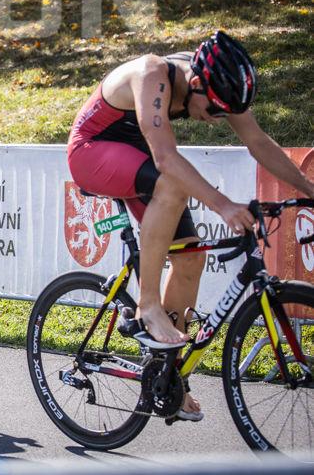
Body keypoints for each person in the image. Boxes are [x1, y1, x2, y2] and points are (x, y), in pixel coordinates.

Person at [66, 30, 314, 420]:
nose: (216, 120)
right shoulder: (153, 75)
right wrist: (223, 206)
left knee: (190, 258)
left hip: (136, 153)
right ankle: (148, 305)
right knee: (171, 184)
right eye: (214, 110)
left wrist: (310, 190)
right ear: (195, 83)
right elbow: (166, 158)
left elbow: (258, 142)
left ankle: (168, 377)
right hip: (92, 150)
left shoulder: (216, 84)